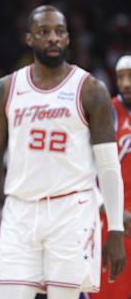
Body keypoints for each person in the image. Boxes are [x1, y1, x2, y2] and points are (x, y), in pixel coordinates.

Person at [0, 5, 126, 299]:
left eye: (59, 32)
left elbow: (108, 166)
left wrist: (114, 230)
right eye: (44, 32)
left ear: (67, 39)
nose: (53, 38)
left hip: (71, 211)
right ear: (29, 39)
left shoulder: (90, 89)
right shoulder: (5, 88)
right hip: (19, 211)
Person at [92, 55, 131, 298]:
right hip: (111, 222)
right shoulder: (105, 113)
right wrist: (107, 206)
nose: (126, 83)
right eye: (121, 77)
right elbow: (81, 170)